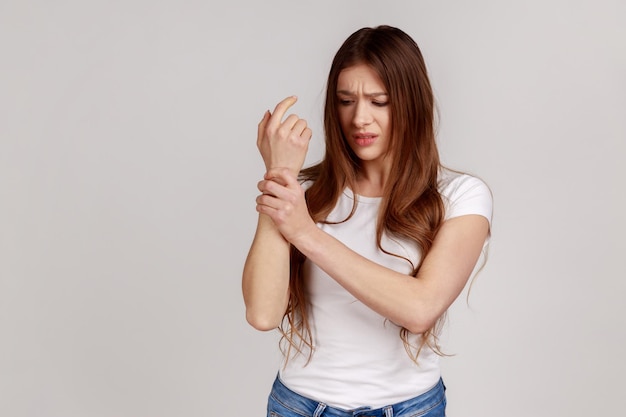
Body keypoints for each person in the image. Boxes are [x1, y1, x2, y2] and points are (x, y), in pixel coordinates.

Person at [242, 25, 492, 417]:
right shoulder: (303, 192)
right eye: (346, 100)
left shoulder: (460, 195)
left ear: (412, 104)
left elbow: (420, 308)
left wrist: (305, 232)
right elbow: (262, 313)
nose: (360, 118)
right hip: (300, 406)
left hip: (410, 409)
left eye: (379, 101)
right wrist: (279, 177)